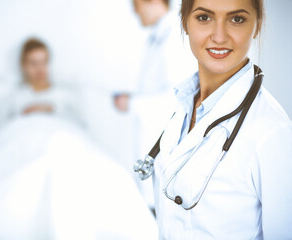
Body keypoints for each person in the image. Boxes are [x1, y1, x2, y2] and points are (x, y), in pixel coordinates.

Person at [145, 0, 292, 238]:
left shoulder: (273, 133)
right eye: (204, 18)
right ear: (184, 22)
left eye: (237, 19)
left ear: (257, 26)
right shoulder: (183, 104)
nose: (220, 36)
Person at [114, 0, 197, 211]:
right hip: (155, 146)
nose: (134, 10)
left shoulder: (176, 38)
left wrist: (131, 103)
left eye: (136, 4)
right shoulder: (158, 37)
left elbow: (179, 97)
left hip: (167, 151)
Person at [12, 38, 71, 117]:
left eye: (44, 62)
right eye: (34, 63)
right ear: (24, 65)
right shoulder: (15, 98)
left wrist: (51, 110)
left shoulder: (64, 96)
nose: (40, 69)